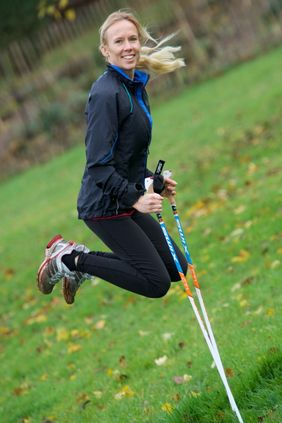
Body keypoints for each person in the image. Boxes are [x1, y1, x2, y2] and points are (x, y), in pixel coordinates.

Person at [37, 10, 187, 305]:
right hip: (103, 205)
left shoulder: (133, 87)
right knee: (156, 282)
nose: (128, 46)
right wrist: (135, 199)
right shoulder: (106, 94)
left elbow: (125, 154)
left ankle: (76, 259)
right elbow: (98, 165)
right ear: (105, 50)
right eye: (119, 41)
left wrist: (153, 181)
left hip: (125, 196)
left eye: (133, 39)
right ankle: (69, 258)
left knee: (177, 267)